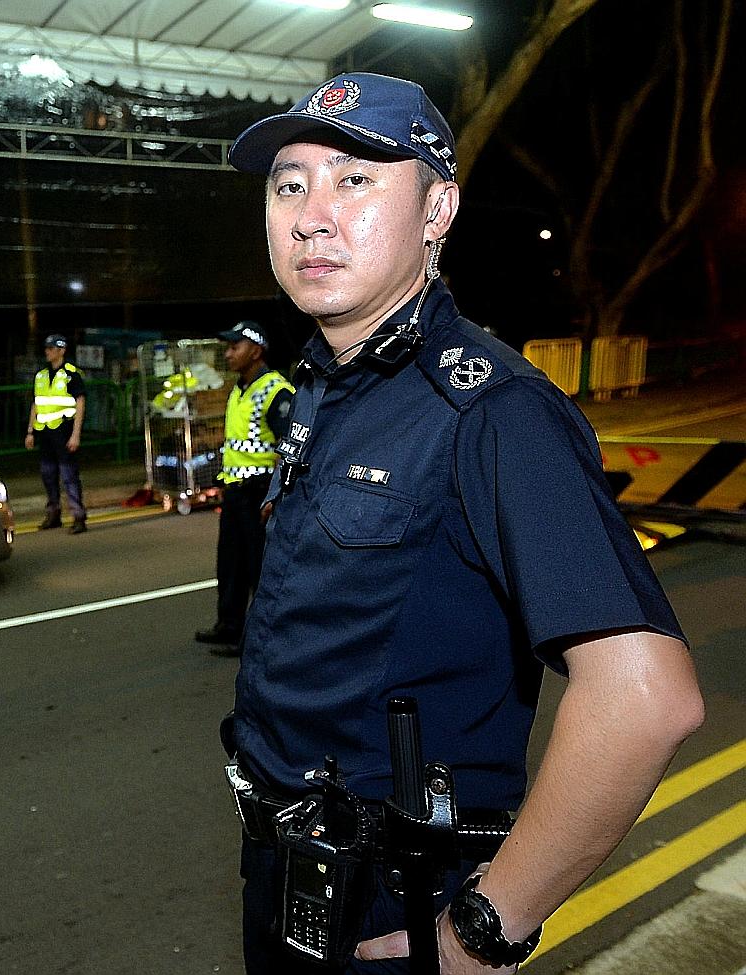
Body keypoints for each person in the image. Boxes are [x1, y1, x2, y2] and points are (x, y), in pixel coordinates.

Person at [219, 72, 703, 974]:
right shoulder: (324, 388)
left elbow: (644, 699)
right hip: (287, 878)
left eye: (356, 179)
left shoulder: (492, 410)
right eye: (290, 184)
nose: (312, 215)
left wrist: (481, 932)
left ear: (438, 209)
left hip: (396, 905)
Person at [194, 322, 293, 656]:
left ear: (256, 349)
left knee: (257, 568)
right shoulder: (240, 388)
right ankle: (229, 625)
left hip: (259, 492)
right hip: (236, 491)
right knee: (230, 563)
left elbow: (288, 446)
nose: (228, 353)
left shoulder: (275, 390)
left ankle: (253, 638)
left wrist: (275, 495)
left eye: (235, 347)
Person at [24, 333, 88, 534]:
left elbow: (80, 402)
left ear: (61, 351)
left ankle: (78, 517)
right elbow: (36, 404)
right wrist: (30, 431)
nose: (47, 352)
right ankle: (54, 514)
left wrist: (76, 434)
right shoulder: (41, 376)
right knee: (48, 475)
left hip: (64, 431)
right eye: (46, 348)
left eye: (51, 349)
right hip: (45, 434)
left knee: (69, 476)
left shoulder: (71, 374)